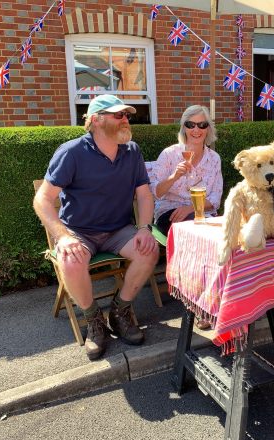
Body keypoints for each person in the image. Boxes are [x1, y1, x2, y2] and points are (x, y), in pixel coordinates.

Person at [33, 94, 159, 361]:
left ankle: (120, 311)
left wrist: (145, 228)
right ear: (96, 120)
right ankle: (93, 320)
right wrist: (63, 238)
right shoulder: (72, 152)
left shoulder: (132, 151)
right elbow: (42, 199)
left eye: (127, 115)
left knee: (149, 251)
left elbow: (145, 195)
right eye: (118, 115)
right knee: (70, 260)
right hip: (80, 231)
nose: (126, 119)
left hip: (118, 230)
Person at [151, 104, 223, 236]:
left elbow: (215, 199)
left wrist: (189, 209)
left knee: (223, 232)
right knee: (200, 232)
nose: (196, 130)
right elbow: (156, 193)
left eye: (202, 125)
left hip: (203, 215)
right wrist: (174, 176)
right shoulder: (169, 154)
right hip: (171, 213)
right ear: (184, 127)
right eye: (191, 124)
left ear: (208, 129)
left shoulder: (214, 159)